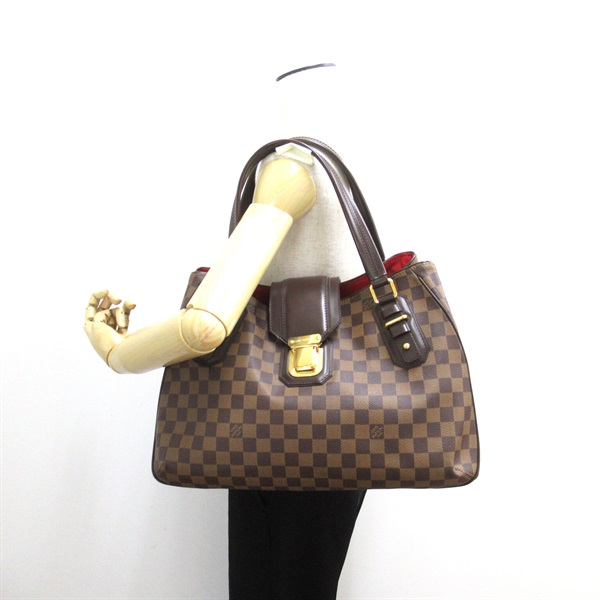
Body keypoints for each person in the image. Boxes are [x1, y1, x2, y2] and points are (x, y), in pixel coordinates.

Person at [84, 62, 366, 599]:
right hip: (343, 418)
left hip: (278, 424)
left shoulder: (290, 168)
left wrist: (117, 349)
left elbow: (206, 326)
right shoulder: (353, 163)